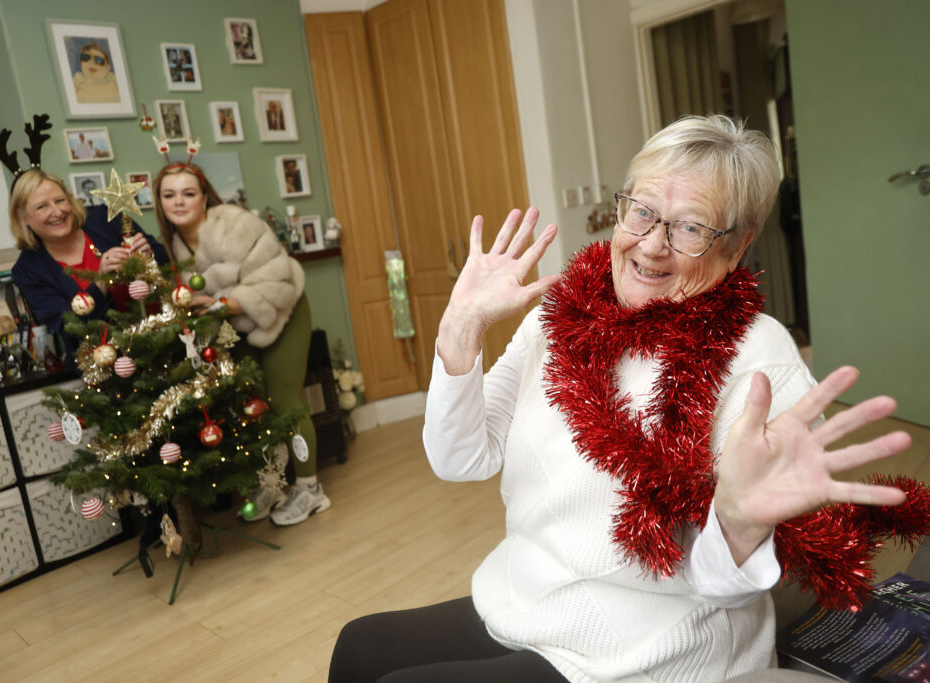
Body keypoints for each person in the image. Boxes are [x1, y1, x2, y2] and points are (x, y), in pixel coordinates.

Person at [329, 115, 928, 681]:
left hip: (649, 651)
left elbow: (723, 589)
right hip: (527, 601)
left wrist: (741, 522)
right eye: (641, 211)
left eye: (690, 227)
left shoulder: (757, 357)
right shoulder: (559, 317)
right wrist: (460, 330)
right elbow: (460, 459)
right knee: (359, 647)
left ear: (738, 245)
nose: (651, 245)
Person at [152, 162, 330, 526]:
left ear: (204, 197)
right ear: (160, 202)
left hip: (282, 310)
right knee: (252, 404)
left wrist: (221, 304)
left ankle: (311, 489)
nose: (179, 202)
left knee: (285, 401)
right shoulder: (174, 248)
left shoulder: (235, 224)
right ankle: (272, 483)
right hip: (235, 324)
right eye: (169, 195)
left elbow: (276, 279)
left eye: (188, 193)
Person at [9, 169, 169, 363]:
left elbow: (164, 259)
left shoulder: (103, 217)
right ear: (22, 216)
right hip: (102, 366)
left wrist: (148, 257)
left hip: (160, 342)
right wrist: (101, 281)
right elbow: (68, 327)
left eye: (60, 200)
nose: (57, 212)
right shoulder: (28, 270)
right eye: (42, 206)